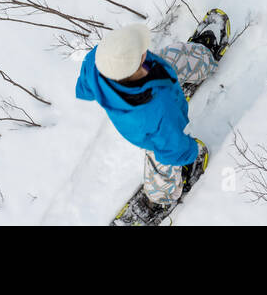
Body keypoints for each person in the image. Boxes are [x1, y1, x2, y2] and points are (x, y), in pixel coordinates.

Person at [74, 14, 227, 216]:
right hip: (151, 131)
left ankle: (203, 57)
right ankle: (162, 197)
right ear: (142, 57)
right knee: (163, 161)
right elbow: (174, 146)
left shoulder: (100, 61)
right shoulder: (157, 112)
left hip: (156, 78)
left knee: (174, 58)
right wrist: (190, 152)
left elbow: (85, 82)